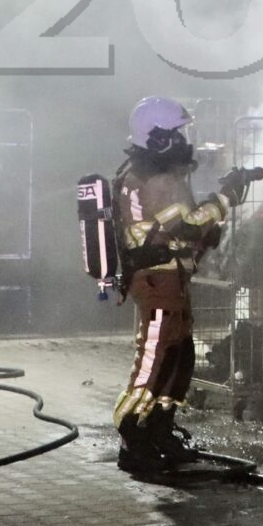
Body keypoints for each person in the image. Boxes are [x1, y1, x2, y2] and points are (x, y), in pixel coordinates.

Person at [111, 96, 230, 477]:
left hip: (170, 277)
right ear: (159, 137)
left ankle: (160, 429)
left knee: (179, 354)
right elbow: (187, 226)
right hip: (156, 279)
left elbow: (190, 231)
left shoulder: (158, 174)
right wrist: (224, 200)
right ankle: (133, 437)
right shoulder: (153, 179)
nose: (185, 140)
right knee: (155, 358)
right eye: (179, 133)